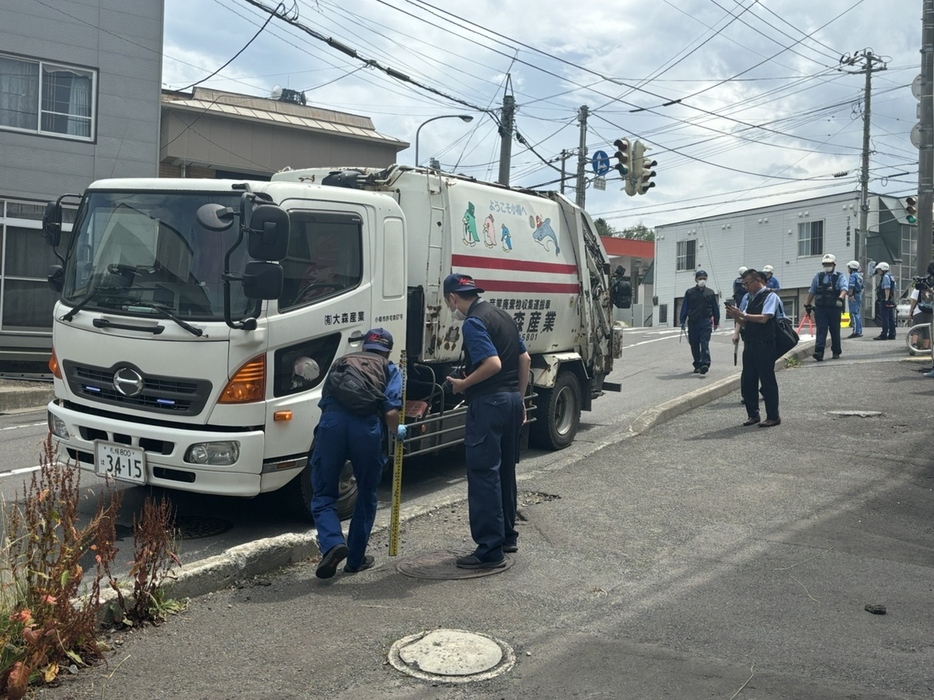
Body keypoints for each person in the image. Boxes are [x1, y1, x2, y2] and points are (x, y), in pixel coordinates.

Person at [444, 272, 531, 570]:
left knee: (484, 474)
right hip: (510, 401)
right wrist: (519, 400)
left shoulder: (473, 322)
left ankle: (490, 550)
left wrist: (463, 384)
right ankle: (507, 537)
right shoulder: (503, 316)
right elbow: (525, 360)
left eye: (448, 302)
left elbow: (492, 364)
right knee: (505, 472)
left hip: (489, 404)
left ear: (453, 298)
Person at [311, 328, 404, 579]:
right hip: (367, 429)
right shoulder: (389, 367)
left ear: (364, 346)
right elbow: (391, 413)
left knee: (323, 494)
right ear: (388, 350)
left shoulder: (341, 363)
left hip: (331, 426)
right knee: (366, 493)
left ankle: (332, 544)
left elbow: (325, 397)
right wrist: (397, 431)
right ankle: (355, 559)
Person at [726, 269, 781, 428]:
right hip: (750, 343)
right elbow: (744, 322)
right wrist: (736, 315)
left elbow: (764, 318)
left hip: (765, 344)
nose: (746, 287)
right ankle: (753, 414)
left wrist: (743, 314)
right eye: (743, 284)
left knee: (767, 380)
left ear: (758, 280)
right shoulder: (747, 298)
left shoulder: (770, 296)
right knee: (748, 380)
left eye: (748, 283)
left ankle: (773, 416)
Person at [804, 253, 848, 361]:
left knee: (835, 330)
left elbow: (844, 289)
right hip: (821, 308)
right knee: (821, 330)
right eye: (825, 264)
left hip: (834, 308)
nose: (827, 266)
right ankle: (819, 352)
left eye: (829, 264)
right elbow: (812, 291)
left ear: (834, 264)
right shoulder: (818, 276)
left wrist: (840, 299)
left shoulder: (840, 276)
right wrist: (807, 304)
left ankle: (836, 351)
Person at [679, 269, 720, 375]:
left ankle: (705, 364)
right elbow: (685, 307)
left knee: (704, 342)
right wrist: (682, 320)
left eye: (704, 278)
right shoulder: (689, 292)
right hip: (693, 322)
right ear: (696, 279)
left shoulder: (710, 293)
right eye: (700, 278)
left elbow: (715, 308)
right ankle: (697, 364)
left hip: (706, 321)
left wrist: (716, 321)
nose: (702, 280)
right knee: (694, 344)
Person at [873, 262, 897, 340]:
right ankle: (892, 333)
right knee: (891, 317)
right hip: (891, 300)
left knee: (884, 317)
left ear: (883, 270)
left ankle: (884, 334)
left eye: (879, 270)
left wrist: (886, 299)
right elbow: (894, 289)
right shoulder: (891, 276)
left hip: (885, 300)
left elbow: (887, 288)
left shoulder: (885, 277)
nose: (878, 271)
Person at [845, 260, 864, 338]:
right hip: (858, 295)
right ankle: (859, 330)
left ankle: (856, 331)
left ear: (852, 268)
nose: (848, 269)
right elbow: (862, 287)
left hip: (854, 295)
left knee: (853, 313)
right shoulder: (860, 275)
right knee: (857, 313)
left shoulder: (853, 276)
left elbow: (851, 286)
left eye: (849, 267)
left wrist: (851, 295)